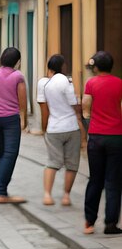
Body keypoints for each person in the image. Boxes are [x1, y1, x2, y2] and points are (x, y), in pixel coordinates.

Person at [37, 54, 86, 207]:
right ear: (62, 66)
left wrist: (44, 128)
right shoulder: (66, 81)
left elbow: (44, 108)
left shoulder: (45, 84)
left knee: (52, 162)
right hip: (71, 127)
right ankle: (66, 196)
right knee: (71, 164)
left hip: (53, 128)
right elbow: (74, 104)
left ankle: (47, 195)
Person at [82, 51, 122, 235]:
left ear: (96, 67)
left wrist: (90, 120)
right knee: (113, 181)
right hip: (116, 136)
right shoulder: (119, 83)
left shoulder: (91, 83)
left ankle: (89, 222)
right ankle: (110, 224)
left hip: (96, 136)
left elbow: (86, 106)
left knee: (95, 180)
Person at [0, 47, 28, 204]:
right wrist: (23, 118)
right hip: (10, 119)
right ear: (17, 61)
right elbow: (22, 99)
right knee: (10, 154)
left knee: (3, 155)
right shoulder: (18, 76)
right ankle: (0, 191)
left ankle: (1, 189)